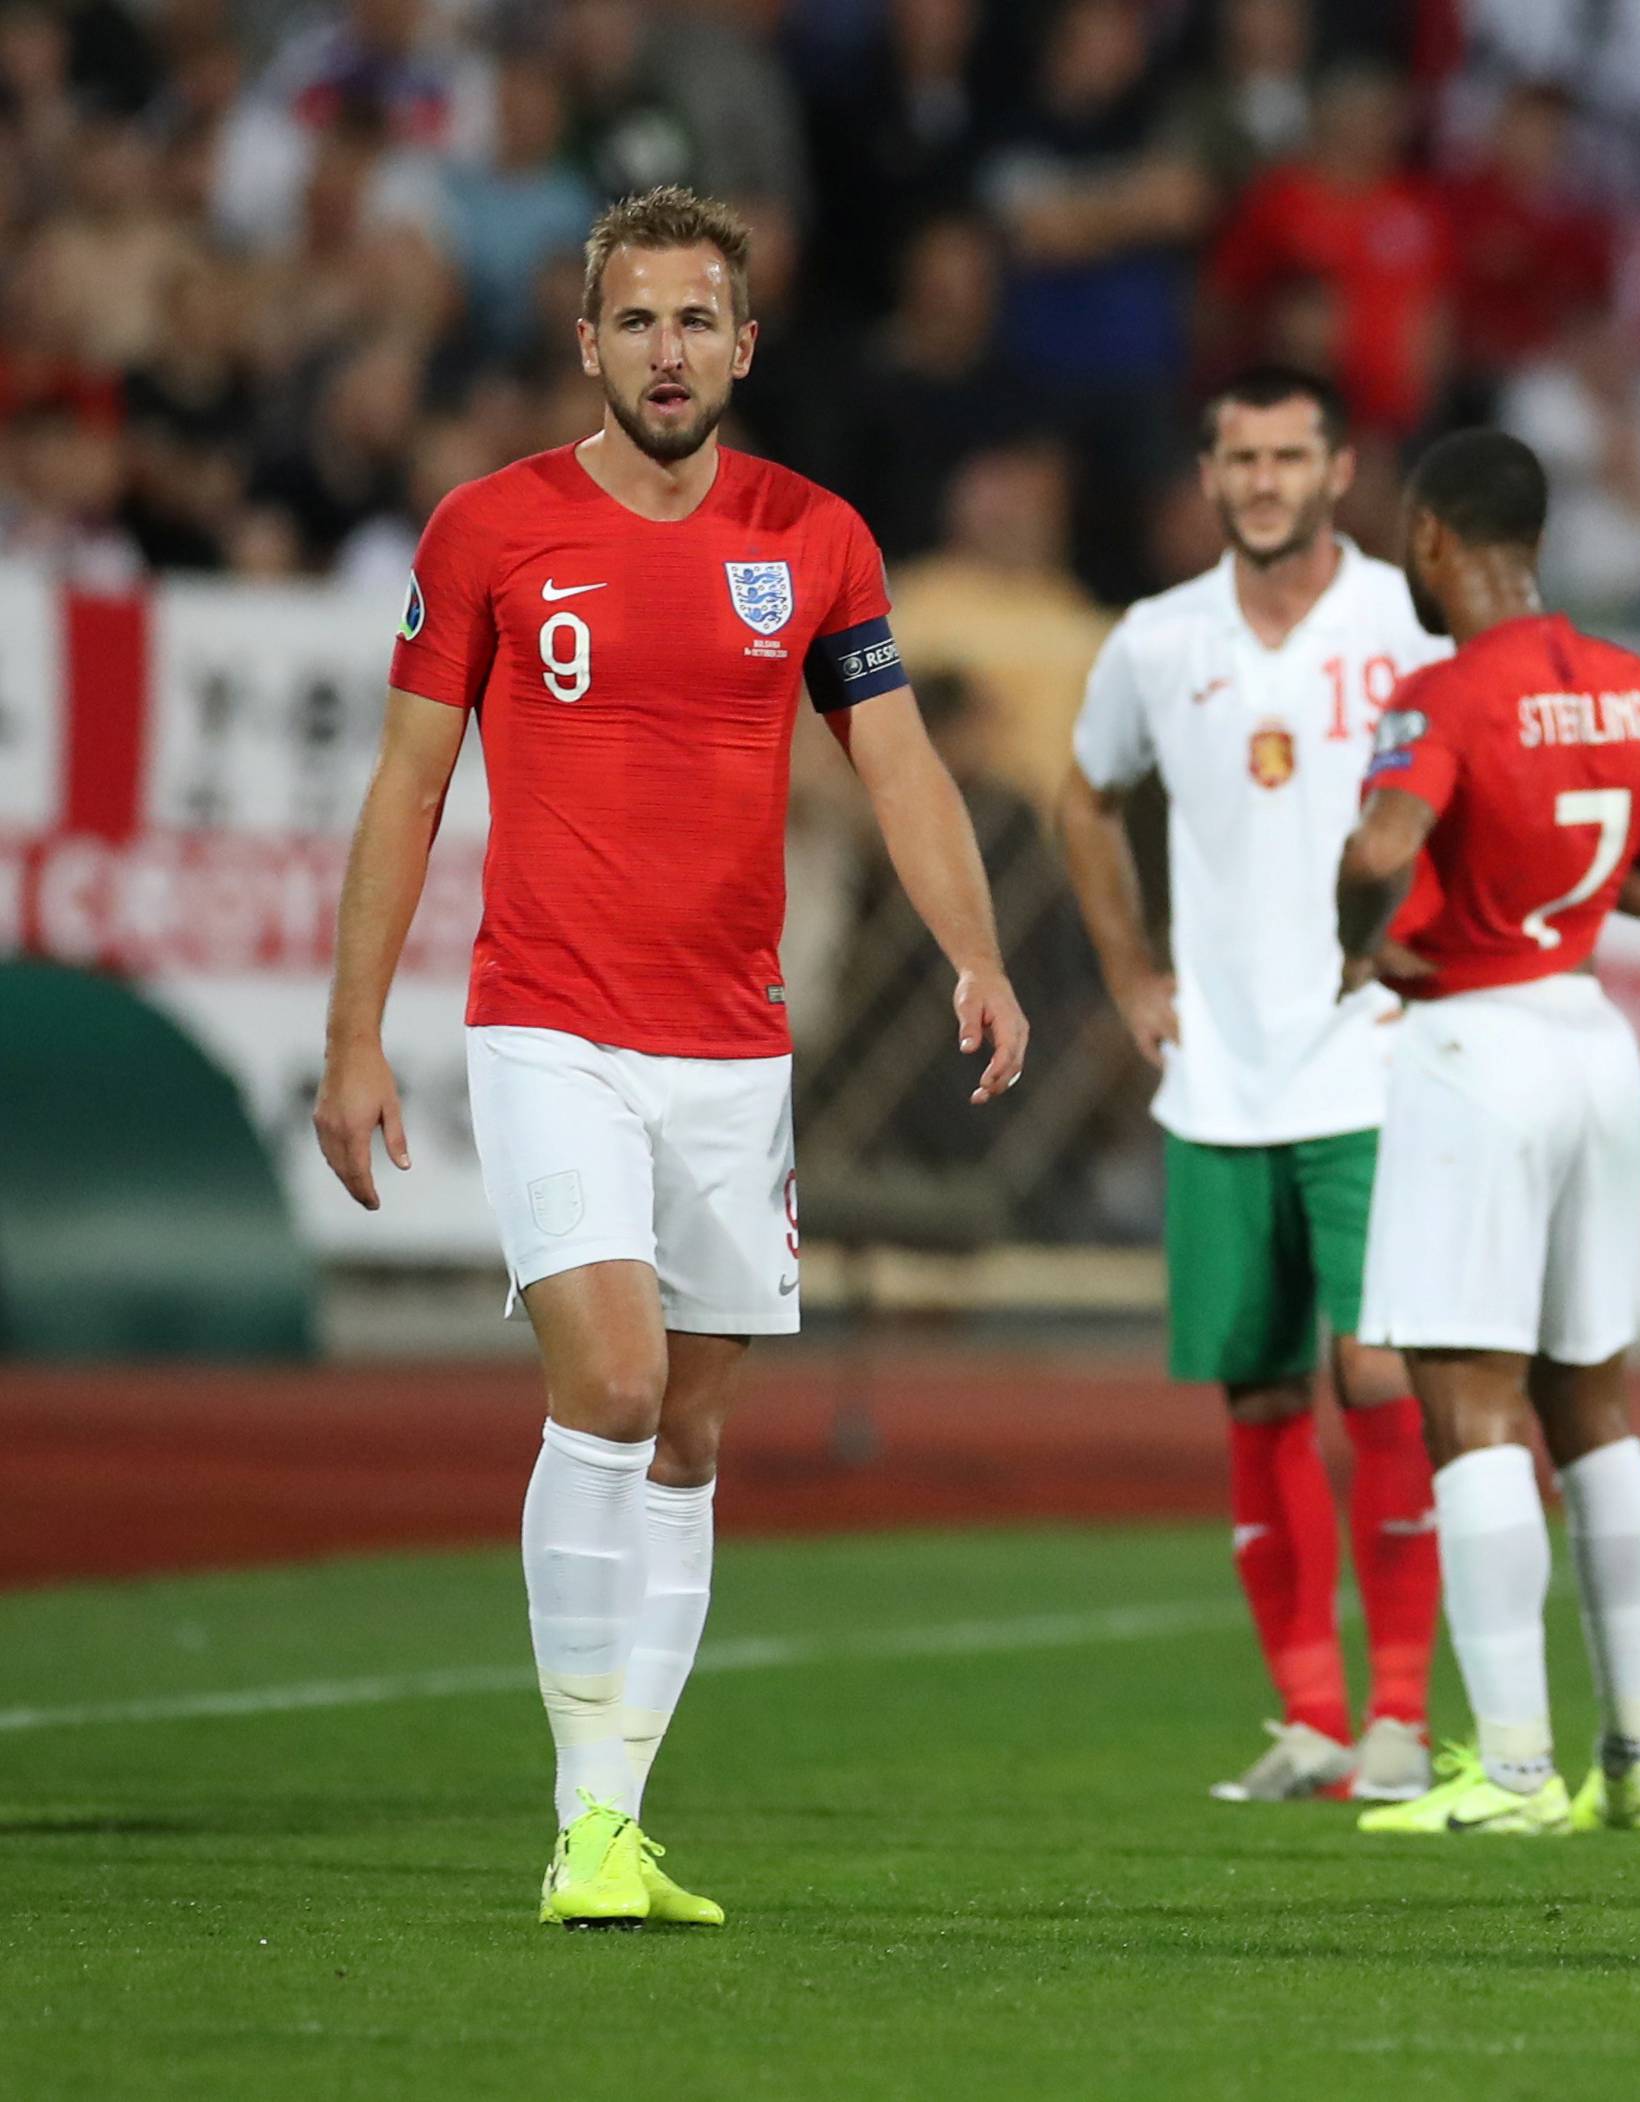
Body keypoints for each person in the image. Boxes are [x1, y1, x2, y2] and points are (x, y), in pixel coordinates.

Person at [312, 185, 1028, 1930]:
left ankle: (616, 1820)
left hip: (731, 1051)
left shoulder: (816, 539)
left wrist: (977, 950)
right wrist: (353, 1039)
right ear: (586, 341)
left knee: (695, 1438)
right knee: (617, 1387)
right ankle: (579, 1822)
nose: (667, 351)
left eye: (697, 320)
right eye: (636, 320)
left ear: (744, 343)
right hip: (549, 1025)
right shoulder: (489, 531)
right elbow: (409, 788)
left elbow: (903, 766)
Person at [1057, 366, 1449, 1806]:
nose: (1267, 479)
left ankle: (1400, 1713)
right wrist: (1130, 978)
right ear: (1211, 475)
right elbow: (1082, 796)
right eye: (1242, 457)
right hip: (1218, 1071)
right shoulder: (1160, 640)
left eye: (1292, 454)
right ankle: (1310, 1720)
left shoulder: (1411, 621)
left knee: (1381, 1368)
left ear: (1342, 469)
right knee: (1263, 1393)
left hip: (1372, 1056)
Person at [1336, 428, 1640, 1837]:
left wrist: (1352, 945)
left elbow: (1380, 850)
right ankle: (1638, 1759)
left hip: (1474, 1047)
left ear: (1433, 536)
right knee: (1592, 1406)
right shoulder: (1631, 683)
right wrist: (1555, 895)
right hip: (1590, 1039)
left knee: (1467, 1396)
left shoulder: (1444, 688)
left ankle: (1510, 1769)